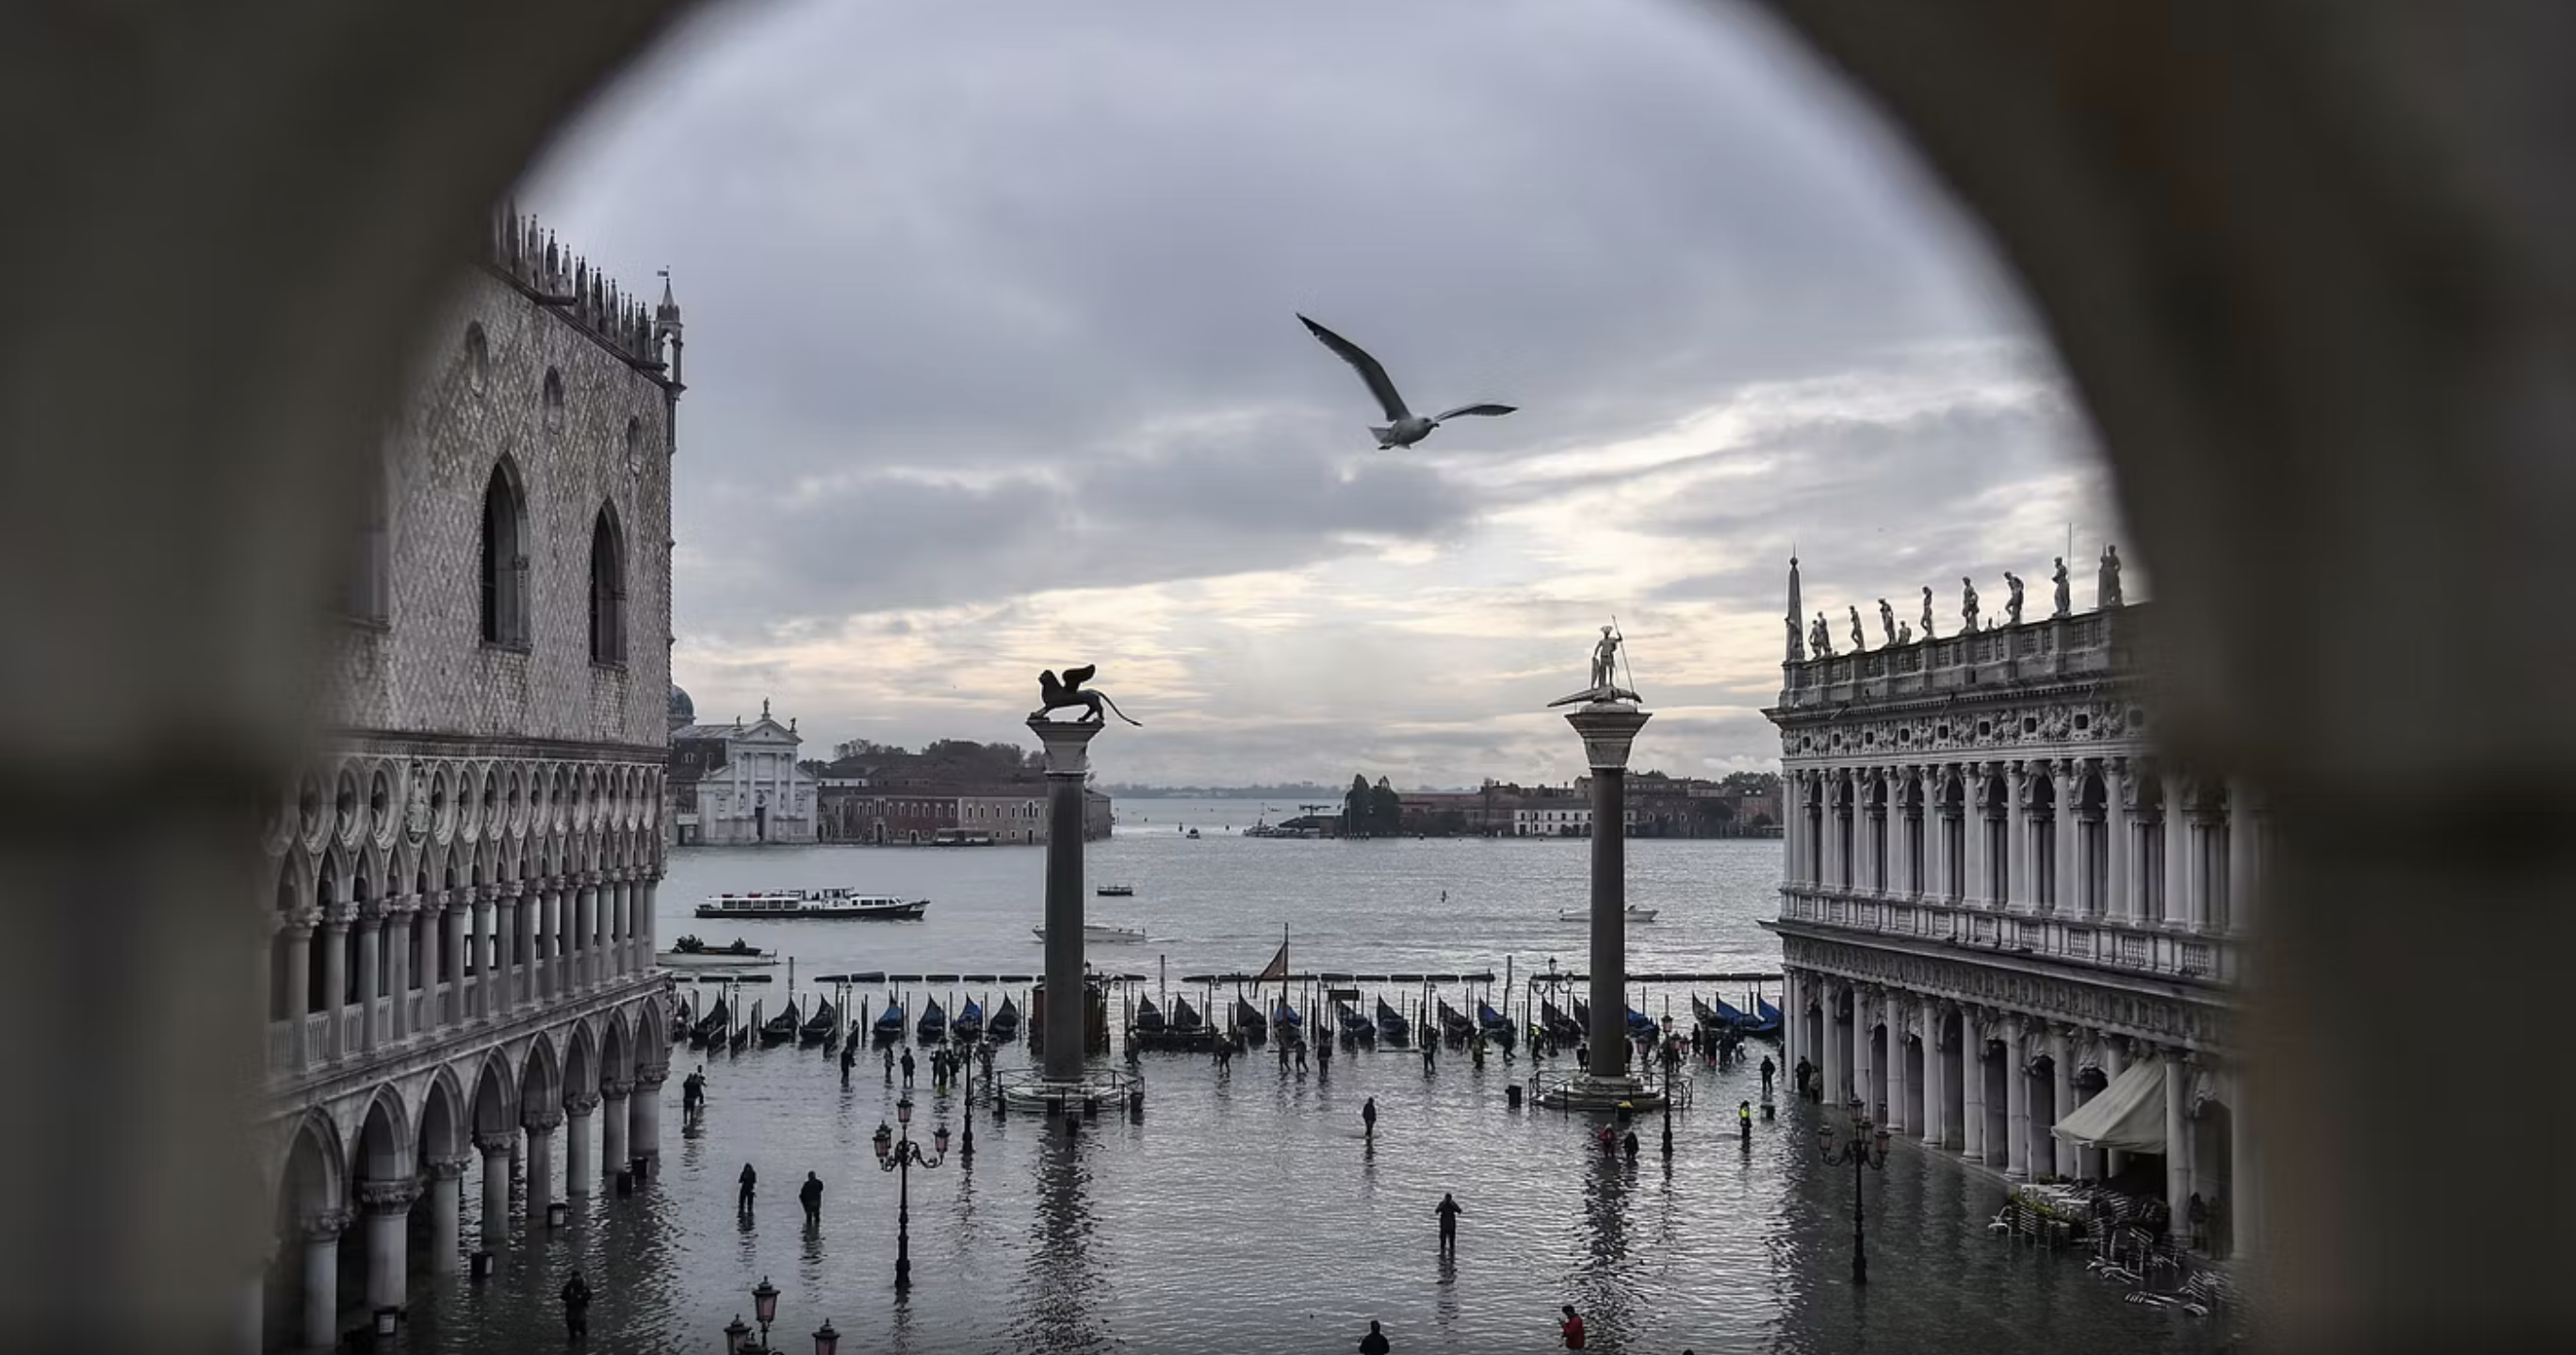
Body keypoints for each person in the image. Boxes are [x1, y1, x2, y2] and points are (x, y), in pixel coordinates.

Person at [560, 1270, 592, 1340]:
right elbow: (563, 1296)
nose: (577, 1278)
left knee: (582, 1325)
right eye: (575, 1277)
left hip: (580, 1308)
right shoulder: (569, 1287)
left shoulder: (583, 1286)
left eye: (578, 1276)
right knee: (572, 1326)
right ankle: (574, 1339)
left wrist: (582, 1298)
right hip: (572, 1309)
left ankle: (582, 1340)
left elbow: (589, 1295)